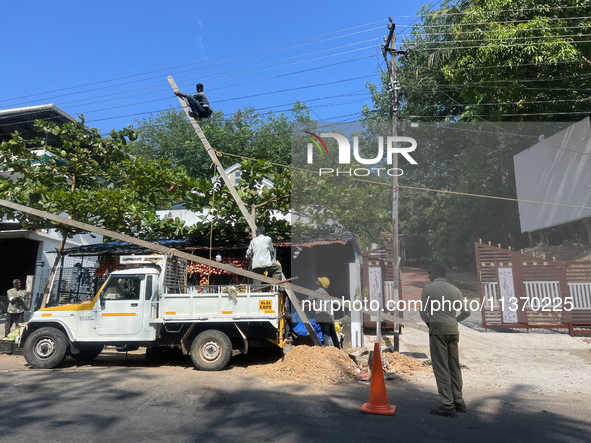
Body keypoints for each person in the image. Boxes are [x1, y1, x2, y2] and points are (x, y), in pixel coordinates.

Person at [420, 262, 470, 418]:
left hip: (438, 330)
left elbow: (423, 312)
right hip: (453, 330)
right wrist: (454, 320)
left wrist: (430, 324)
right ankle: (459, 401)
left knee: (441, 367)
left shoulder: (428, 289)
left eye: (429, 271)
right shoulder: (455, 290)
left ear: (435, 272)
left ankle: (448, 405)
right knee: (454, 365)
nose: (428, 274)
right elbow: (466, 312)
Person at [310, 277, 340, 349]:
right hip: (330, 316)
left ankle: (327, 351)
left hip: (324, 316)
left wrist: (301, 302)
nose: (316, 281)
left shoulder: (319, 291)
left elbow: (310, 298)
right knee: (333, 335)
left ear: (320, 283)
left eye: (318, 281)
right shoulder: (326, 293)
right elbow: (316, 303)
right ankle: (338, 350)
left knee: (326, 335)